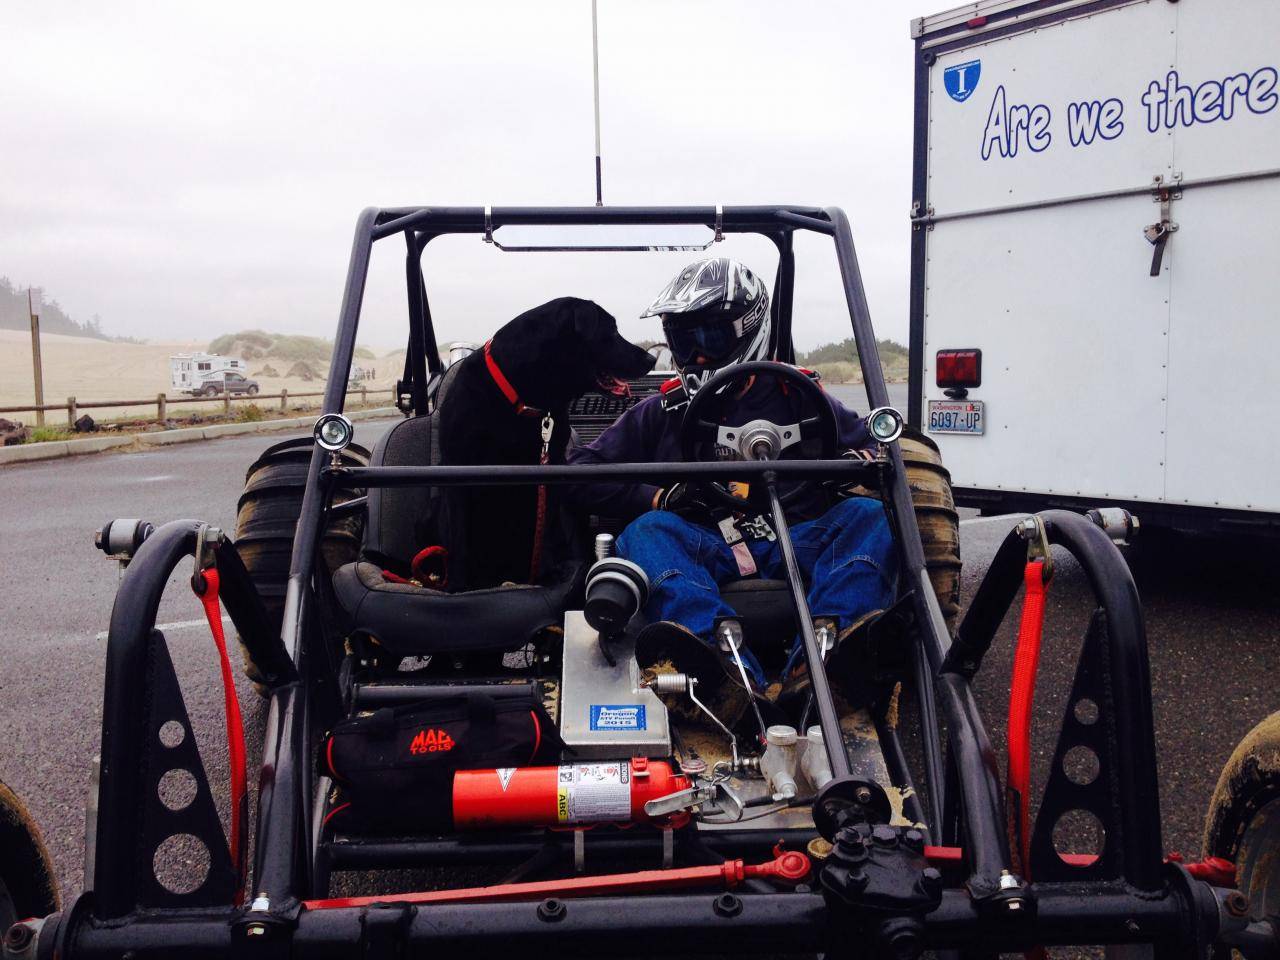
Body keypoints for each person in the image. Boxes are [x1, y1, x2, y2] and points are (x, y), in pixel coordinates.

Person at [567, 257, 896, 711]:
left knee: (871, 517)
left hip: (796, 539)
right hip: (705, 546)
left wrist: (850, 465)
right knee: (646, 531)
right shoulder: (663, 411)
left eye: (710, 337)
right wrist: (658, 496)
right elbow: (579, 469)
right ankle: (724, 669)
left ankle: (822, 660)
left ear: (748, 328)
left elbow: (877, 453)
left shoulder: (800, 397)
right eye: (685, 341)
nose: (698, 356)